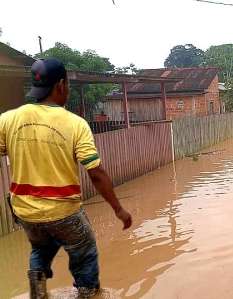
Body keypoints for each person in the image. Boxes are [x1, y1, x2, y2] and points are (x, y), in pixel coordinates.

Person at [0, 58, 133, 298]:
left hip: (24, 211)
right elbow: (96, 172)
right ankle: (88, 291)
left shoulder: (8, 119)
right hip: (62, 210)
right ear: (62, 85)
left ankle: (37, 287)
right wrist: (118, 209)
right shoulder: (75, 124)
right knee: (85, 249)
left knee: (41, 246)